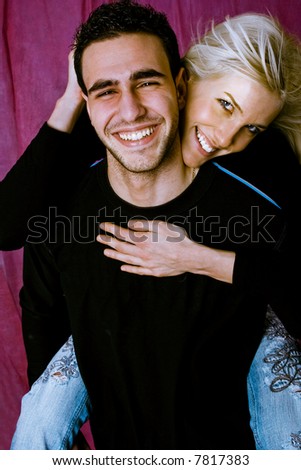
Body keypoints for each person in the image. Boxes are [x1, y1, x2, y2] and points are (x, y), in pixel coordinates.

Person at [9, 0, 301, 451]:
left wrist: (197, 257)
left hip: (253, 316)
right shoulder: (110, 131)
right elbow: (11, 232)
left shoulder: (258, 165)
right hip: (103, 351)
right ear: (193, 79)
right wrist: (71, 100)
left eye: (252, 127)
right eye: (224, 104)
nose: (226, 138)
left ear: (178, 83)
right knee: (38, 424)